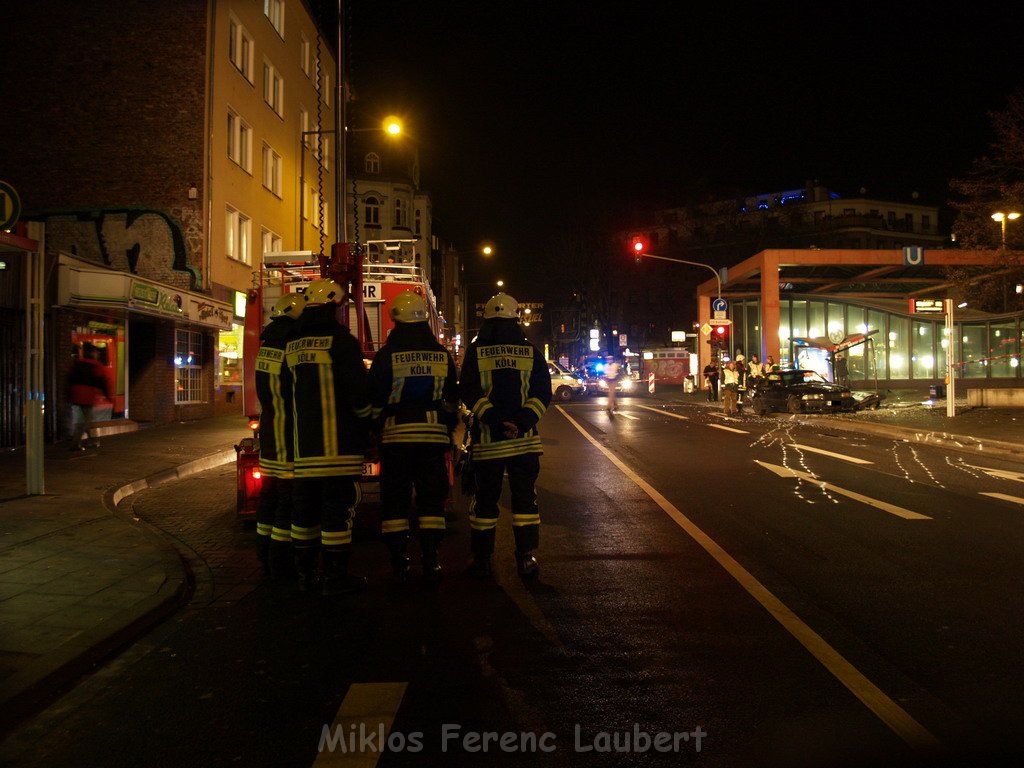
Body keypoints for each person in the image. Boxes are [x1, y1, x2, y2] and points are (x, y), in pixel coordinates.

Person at [285, 278, 373, 595]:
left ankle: (305, 576)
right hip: (339, 450)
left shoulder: (292, 345)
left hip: (304, 450)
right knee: (338, 512)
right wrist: (369, 425)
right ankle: (336, 577)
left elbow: (284, 395)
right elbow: (358, 395)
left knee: (304, 513)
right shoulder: (342, 343)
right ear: (335, 307)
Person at [368, 290, 460, 585]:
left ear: (396, 321)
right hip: (432, 440)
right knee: (432, 503)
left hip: (395, 440)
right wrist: (446, 429)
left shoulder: (386, 356)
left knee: (395, 504)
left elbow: (375, 401)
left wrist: (374, 432)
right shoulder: (441, 355)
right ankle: (431, 561)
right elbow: (451, 400)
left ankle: (399, 564)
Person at [459, 292, 552, 579]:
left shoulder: (476, 351)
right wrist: (522, 422)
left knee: (485, 503)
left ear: (486, 320)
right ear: (516, 319)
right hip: (524, 443)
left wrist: (495, 420)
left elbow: (470, 391)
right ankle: (526, 557)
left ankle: (483, 559)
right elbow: (542, 394)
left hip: (488, 444)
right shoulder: (531, 351)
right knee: (525, 502)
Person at [253, 293, 301, 581]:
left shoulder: (266, 347)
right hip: (289, 435)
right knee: (288, 501)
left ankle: (264, 555)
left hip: (270, 434)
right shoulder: (291, 348)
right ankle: (280, 563)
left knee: (268, 500)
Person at [68, 343, 110, 451]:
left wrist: (68, 395)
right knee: (86, 420)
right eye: (96, 352)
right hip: (87, 396)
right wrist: (107, 396)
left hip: (76, 395)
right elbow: (102, 382)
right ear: (92, 353)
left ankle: (90, 441)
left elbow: (70, 379)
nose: (97, 354)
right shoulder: (95, 365)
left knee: (85, 419)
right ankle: (78, 443)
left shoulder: (78, 363)